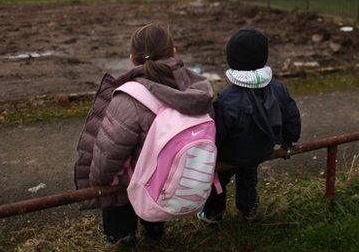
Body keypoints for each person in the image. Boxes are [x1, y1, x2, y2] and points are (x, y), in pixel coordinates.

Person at [74, 23, 214, 247]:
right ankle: (155, 227)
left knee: (117, 191)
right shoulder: (196, 87)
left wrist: (98, 182)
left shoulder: (129, 98)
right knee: (150, 186)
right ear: (174, 52)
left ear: (132, 58)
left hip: (135, 181)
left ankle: (122, 238)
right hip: (172, 177)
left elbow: (109, 152)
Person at [197, 28, 301, 223]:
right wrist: (289, 140)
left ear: (231, 60)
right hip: (262, 148)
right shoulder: (277, 87)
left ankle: (213, 214)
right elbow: (292, 115)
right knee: (248, 177)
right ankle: (249, 210)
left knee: (219, 180)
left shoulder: (227, 98)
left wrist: (213, 154)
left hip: (231, 154)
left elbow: (218, 133)